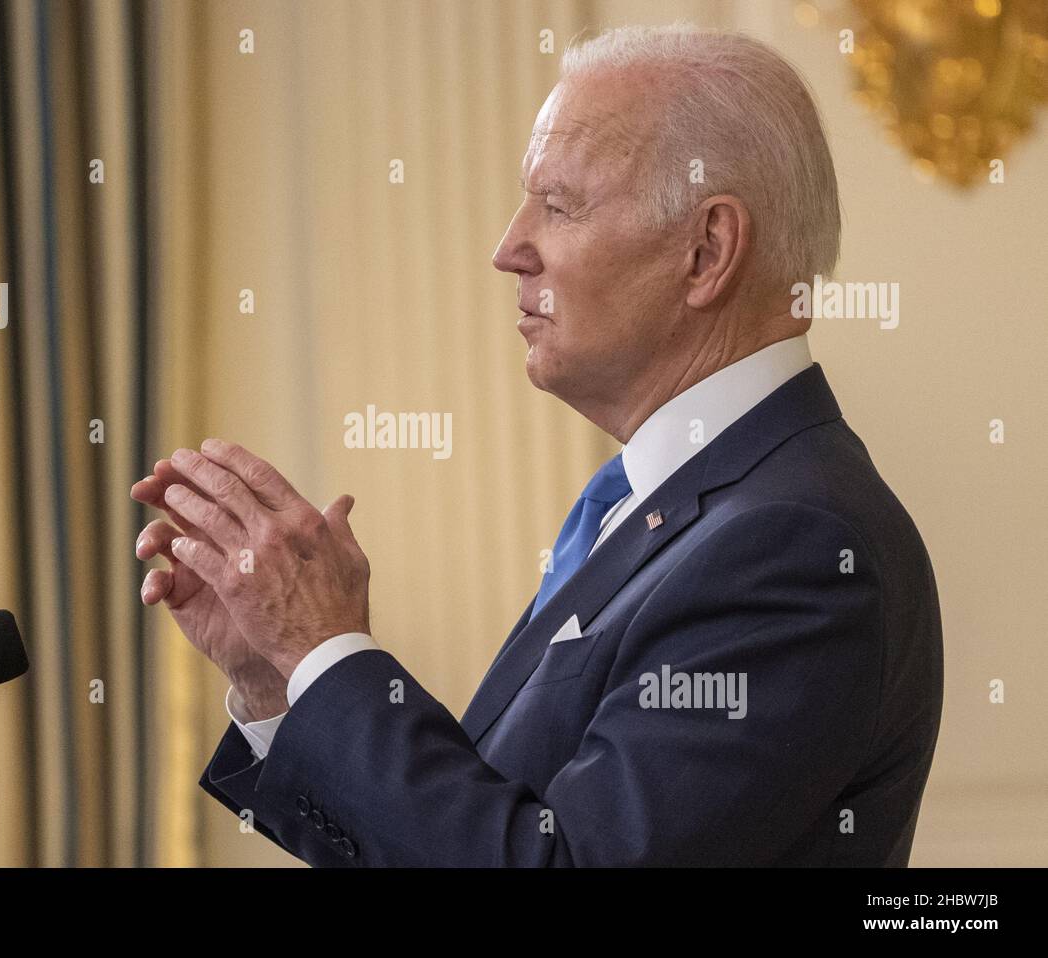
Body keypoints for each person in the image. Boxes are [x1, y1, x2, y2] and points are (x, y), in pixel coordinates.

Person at [130, 24, 943, 866]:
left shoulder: (794, 546)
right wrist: (281, 677)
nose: (508, 249)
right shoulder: (654, 508)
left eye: (558, 206)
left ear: (706, 251)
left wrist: (323, 650)